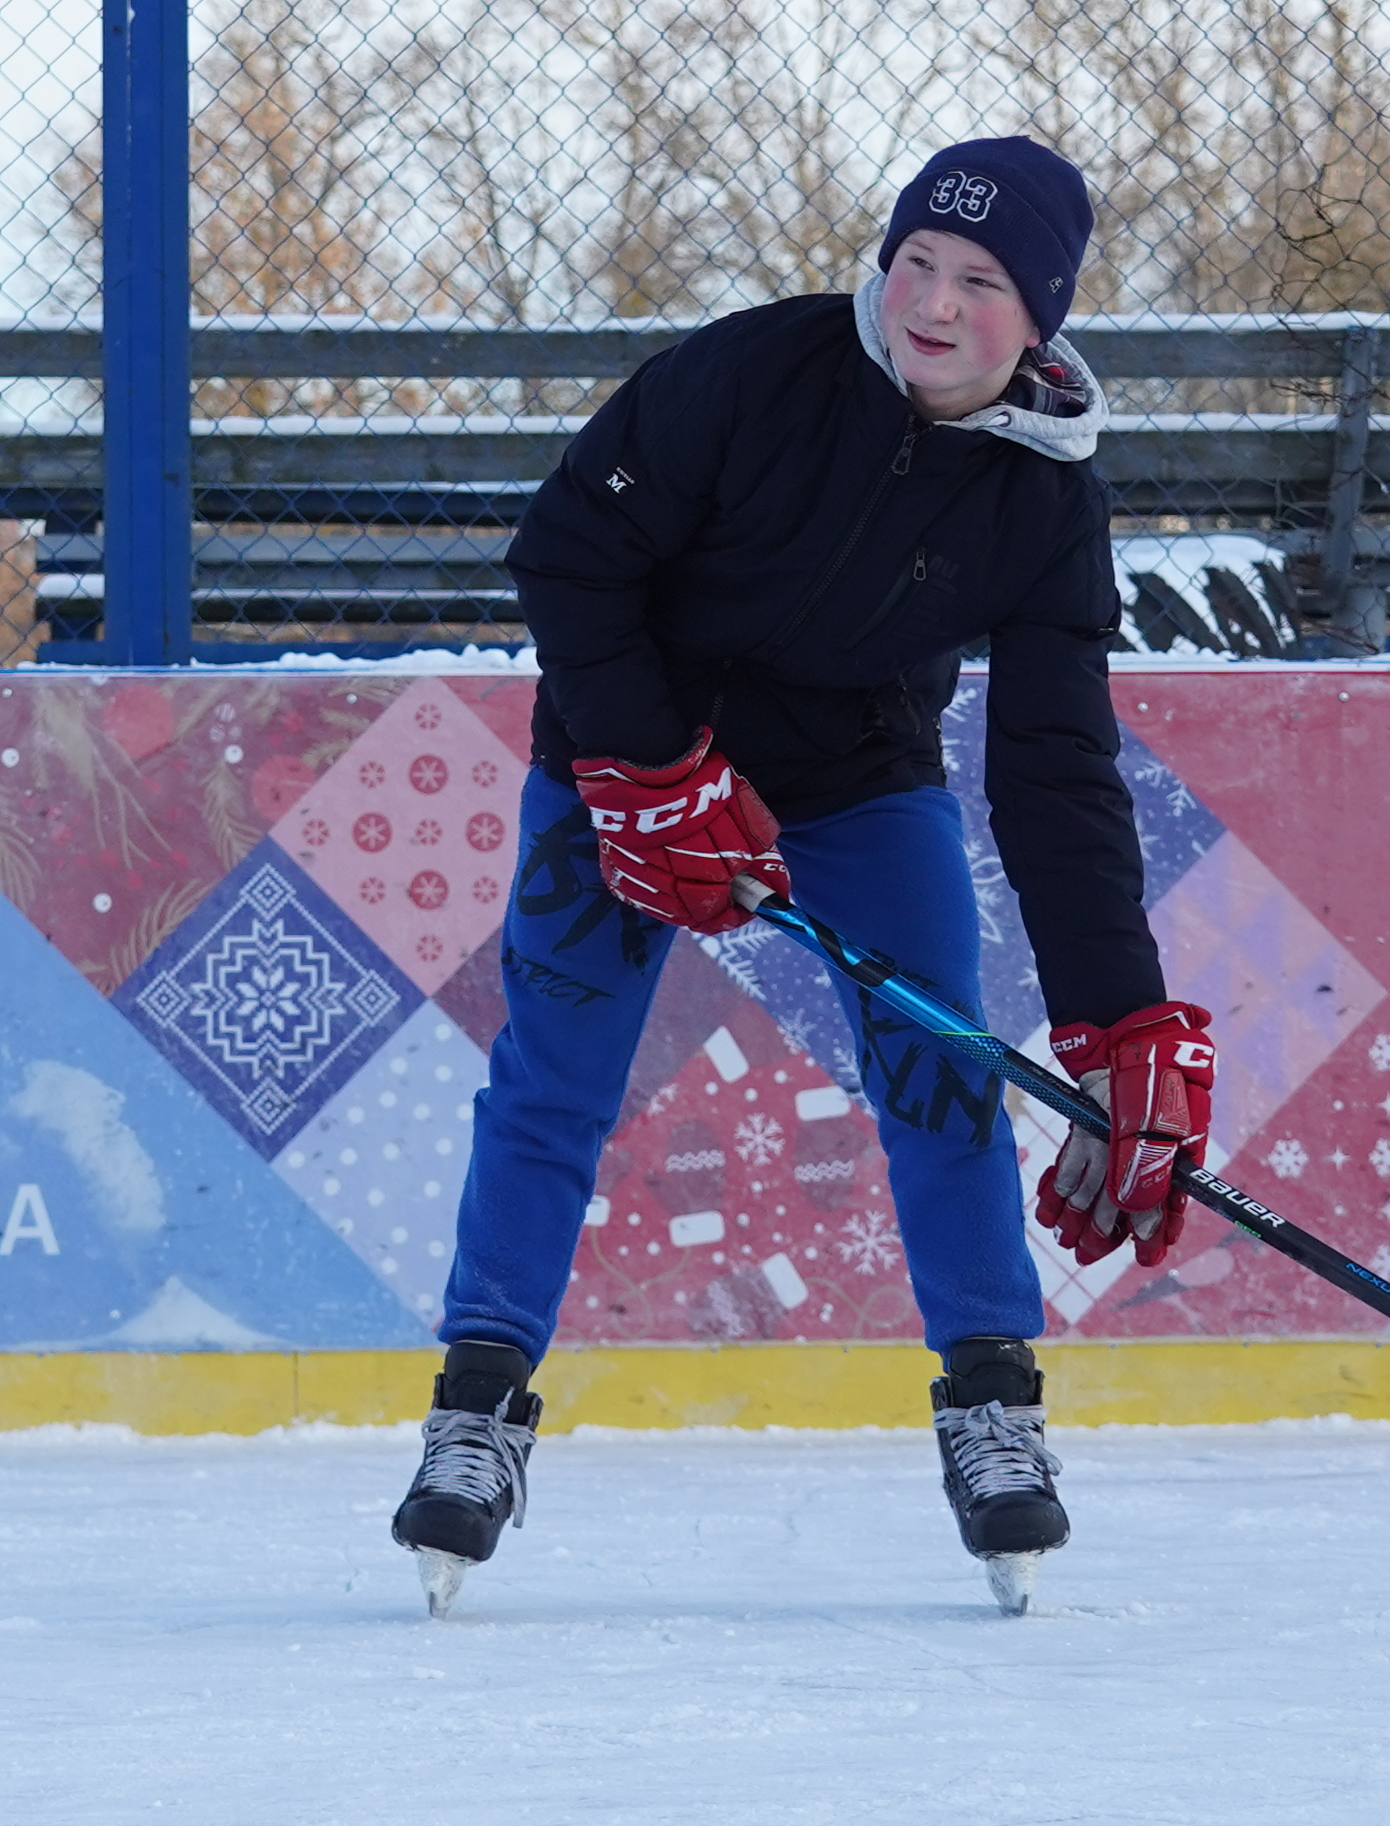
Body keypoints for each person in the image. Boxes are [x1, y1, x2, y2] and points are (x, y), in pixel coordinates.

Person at [393, 135, 1214, 1618]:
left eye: (979, 282)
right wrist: (646, 767)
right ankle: (478, 1409)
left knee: (941, 1067)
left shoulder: (1047, 500)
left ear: (1040, 318)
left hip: (853, 780)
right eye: (914, 262)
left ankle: (991, 1401)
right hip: (623, 758)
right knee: (555, 1074)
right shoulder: (750, 374)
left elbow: (1052, 767)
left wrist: (1118, 1014)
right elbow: (571, 551)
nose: (934, 304)